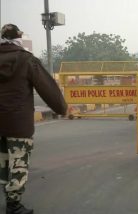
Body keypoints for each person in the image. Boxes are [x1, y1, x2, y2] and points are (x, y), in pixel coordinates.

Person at [0, 24, 67, 214]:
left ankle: (7, 196)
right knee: (19, 163)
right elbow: (46, 86)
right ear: (18, 38)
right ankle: (13, 205)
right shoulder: (26, 60)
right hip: (19, 124)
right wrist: (61, 107)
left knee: (3, 162)